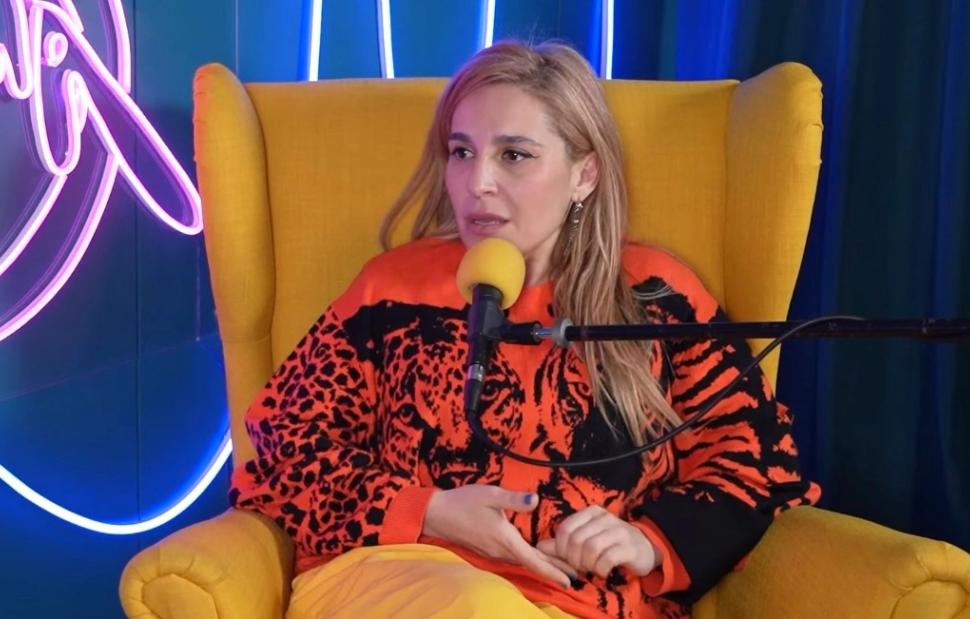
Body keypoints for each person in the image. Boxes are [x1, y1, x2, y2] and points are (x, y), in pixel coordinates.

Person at [229, 40, 820, 619]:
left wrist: (650, 542)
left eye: (514, 155)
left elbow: (759, 461)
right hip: (400, 582)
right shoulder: (391, 289)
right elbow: (283, 450)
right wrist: (429, 511)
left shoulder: (658, 299)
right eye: (461, 152)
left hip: (579, 603)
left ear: (584, 173)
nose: (477, 182)